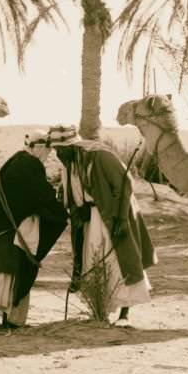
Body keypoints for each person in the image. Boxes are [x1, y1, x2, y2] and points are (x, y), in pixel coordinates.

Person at [51, 125, 156, 326]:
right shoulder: (70, 163)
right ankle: (101, 311)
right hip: (90, 220)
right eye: (56, 149)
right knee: (93, 261)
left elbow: (125, 185)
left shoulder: (99, 156)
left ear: (73, 146)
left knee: (119, 261)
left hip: (112, 215)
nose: (58, 154)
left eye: (61, 149)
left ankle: (125, 314)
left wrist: (121, 219)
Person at [0, 130, 68, 332]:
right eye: (47, 149)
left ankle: (7, 321)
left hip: (0, 226)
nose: (48, 153)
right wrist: (60, 210)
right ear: (38, 147)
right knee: (3, 274)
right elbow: (39, 194)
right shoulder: (29, 164)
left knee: (6, 274)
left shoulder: (18, 160)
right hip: (6, 231)